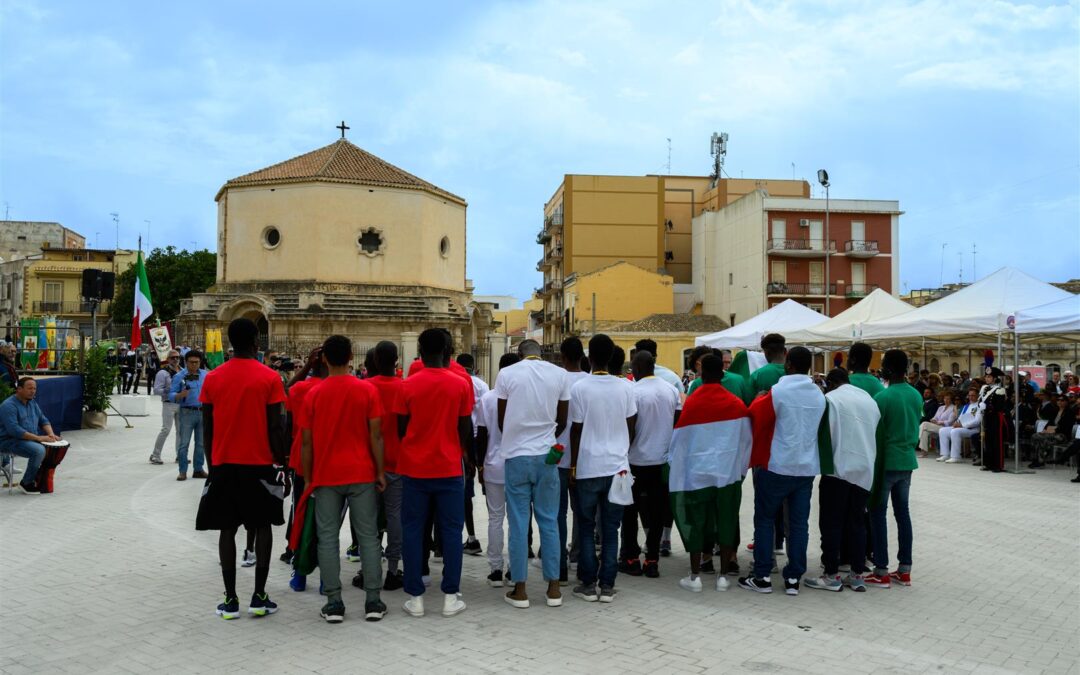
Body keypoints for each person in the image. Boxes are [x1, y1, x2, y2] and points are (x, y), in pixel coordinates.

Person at [195, 318, 289, 620]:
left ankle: (230, 598)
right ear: (256, 342)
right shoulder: (270, 378)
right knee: (262, 527)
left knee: (227, 528)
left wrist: (213, 464)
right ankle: (259, 596)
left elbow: (207, 427)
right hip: (259, 464)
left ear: (229, 342)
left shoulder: (213, 378)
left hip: (224, 464)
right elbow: (276, 425)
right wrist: (282, 461)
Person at [300, 335, 387, 623]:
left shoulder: (313, 394)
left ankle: (334, 602)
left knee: (327, 538)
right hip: (361, 473)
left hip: (326, 475)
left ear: (324, 358)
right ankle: (373, 601)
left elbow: (307, 443)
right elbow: (376, 435)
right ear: (351, 356)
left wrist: (310, 477)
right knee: (368, 538)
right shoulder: (367, 391)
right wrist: (379, 471)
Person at [395, 328, 473, 618]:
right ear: (446, 350)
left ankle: (415, 597)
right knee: (452, 532)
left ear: (420, 349)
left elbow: (401, 429)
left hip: (414, 468)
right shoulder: (460, 384)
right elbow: (465, 429)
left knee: (413, 530)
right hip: (449, 466)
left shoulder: (408, 386)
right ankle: (451, 596)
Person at [740, 346, 824, 597]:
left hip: (776, 465)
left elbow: (754, 413)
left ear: (788, 365)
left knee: (765, 520)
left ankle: (762, 576)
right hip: (805, 467)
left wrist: (759, 396)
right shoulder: (818, 394)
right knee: (798, 525)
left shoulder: (778, 392)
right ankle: (793, 579)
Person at [493, 338, 570, 609]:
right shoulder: (559, 374)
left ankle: (521, 589)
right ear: (541, 353)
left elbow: (502, 420)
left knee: (517, 522)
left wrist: (518, 436)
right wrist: (546, 436)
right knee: (549, 521)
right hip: (547, 455)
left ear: (519, 354)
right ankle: (554, 589)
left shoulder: (507, 374)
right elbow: (563, 418)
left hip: (516, 455)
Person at [669, 355, 750, 593]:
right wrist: (740, 470)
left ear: (702, 374)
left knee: (696, 521)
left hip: (697, 475)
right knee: (726, 518)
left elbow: (679, 442)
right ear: (723, 374)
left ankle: (695, 576)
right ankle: (723, 577)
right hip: (726, 474)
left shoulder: (692, 402)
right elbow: (746, 441)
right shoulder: (736, 403)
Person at [569, 334, 637, 603]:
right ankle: (607, 585)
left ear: (590, 357)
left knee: (586, 526)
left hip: (588, 465)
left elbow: (576, 430)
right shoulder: (626, 388)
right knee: (611, 528)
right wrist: (621, 451)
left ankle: (587, 584)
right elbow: (632, 426)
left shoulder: (580, 388)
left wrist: (573, 466)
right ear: (611, 357)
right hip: (617, 467)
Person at [805, 369, 880, 593]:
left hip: (838, 469)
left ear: (831, 383)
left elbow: (820, 433)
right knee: (857, 523)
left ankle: (831, 574)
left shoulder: (831, 399)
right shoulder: (868, 399)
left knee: (831, 523)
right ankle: (857, 575)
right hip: (864, 469)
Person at [620, 351, 680, 579]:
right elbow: (676, 424)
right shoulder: (671, 390)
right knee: (656, 513)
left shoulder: (633, 392)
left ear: (637, 367)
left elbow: (630, 427)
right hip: (662, 462)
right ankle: (652, 560)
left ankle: (631, 558)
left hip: (635, 460)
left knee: (630, 511)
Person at [865, 349, 922, 589]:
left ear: (887, 368)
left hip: (886, 462)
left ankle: (881, 569)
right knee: (903, 514)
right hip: (907, 460)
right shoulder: (916, 395)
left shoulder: (883, 397)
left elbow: (874, 431)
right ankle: (905, 569)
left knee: (878, 514)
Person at [475, 352, 521, 588]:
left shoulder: (488, 399)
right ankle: (515, 569)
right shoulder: (522, 399)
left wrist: (480, 465)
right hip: (517, 464)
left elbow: (481, 435)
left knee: (495, 518)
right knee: (516, 520)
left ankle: (495, 569)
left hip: (493, 464)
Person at [279, 347, 325, 580]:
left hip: (301, 458)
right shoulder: (338, 388)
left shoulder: (301, 389)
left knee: (300, 508)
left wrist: (285, 459)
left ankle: (293, 550)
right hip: (329, 460)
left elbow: (287, 391)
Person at [556, 337, 589, 575]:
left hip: (556, 455)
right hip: (584, 457)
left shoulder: (555, 380)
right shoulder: (590, 382)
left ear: (562, 356)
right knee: (582, 511)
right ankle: (578, 555)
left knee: (556, 511)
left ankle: (559, 563)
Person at [0, 377, 61, 494]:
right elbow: (15, 431)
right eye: (29, 388)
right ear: (19, 389)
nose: (33, 391)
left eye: (34, 388)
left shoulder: (32, 403)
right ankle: (26, 483)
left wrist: (51, 435)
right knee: (38, 450)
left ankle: (40, 478)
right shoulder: (8, 406)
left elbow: (43, 420)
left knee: (54, 446)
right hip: (7, 441)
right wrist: (39, 438)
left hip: (26, 439)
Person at [456, 352, 489, 557]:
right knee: (480, 488)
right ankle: (474, 535)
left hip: (462, 439)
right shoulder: (482, 385)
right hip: (480, 438)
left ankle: (469, 537)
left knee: (464, 493)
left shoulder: (457, 381)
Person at [170, 350, 209, 481]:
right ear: (185, 362)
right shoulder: (179, 376)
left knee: (201, 444)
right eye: (191, 362)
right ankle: (182, 471)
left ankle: (198, 469)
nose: (194, 365)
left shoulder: (205, 375)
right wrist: (180, 395)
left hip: (203, 412)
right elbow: (171, 395)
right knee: (184, 443)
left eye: (197, 362)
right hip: (186, 412)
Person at [148, 350, 181, 465]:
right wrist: (169, 389)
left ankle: (180, 456)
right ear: (168, 359)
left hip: (181, 404)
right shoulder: (163, 373)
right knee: (166, 430)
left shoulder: (182, 371)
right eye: (173, 358)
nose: (175, 359)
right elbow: (156, 390)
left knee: (181, 432)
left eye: (177, 357)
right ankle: (155, 455)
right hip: (168, 403)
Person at [979, 367, 1010, 473]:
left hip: (996, 418)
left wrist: (987, 407)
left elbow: (999, 407)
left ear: (995, 378)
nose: (987, 379)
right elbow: (981, 401)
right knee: (987, 440)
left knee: (996, 441)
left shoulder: (999, 390)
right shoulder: (985, 389)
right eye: (986, 376)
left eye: (989, 377)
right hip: (987, 417)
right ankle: (989, 463)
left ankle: (998, 465)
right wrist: (981, 406)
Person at [937, 388, 981, 463]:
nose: (971, 397)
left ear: (978, 395)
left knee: (955, 432)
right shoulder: (966, 406)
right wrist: (956, 423)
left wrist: (962, 425)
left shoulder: (980, 406)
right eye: (969, 395)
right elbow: (960, 418)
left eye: (973, 395)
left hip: (973, 429)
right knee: (942, 430)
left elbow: (977, 421)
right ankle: (945, 454)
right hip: (962, 427)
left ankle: (956, 456)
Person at [917, 390, 956, 457]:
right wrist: (933, 420)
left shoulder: (953, 408)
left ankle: (917, 438)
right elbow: (935, 417)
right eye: (945, 398)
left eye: (948, 399)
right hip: (936, 426)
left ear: (951, 400)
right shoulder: (941, 407)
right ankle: (924, 451)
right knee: (924, 431)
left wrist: (939, 422)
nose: (946, 400)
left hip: (945, 428)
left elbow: (950, 421)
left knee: (924, 424)